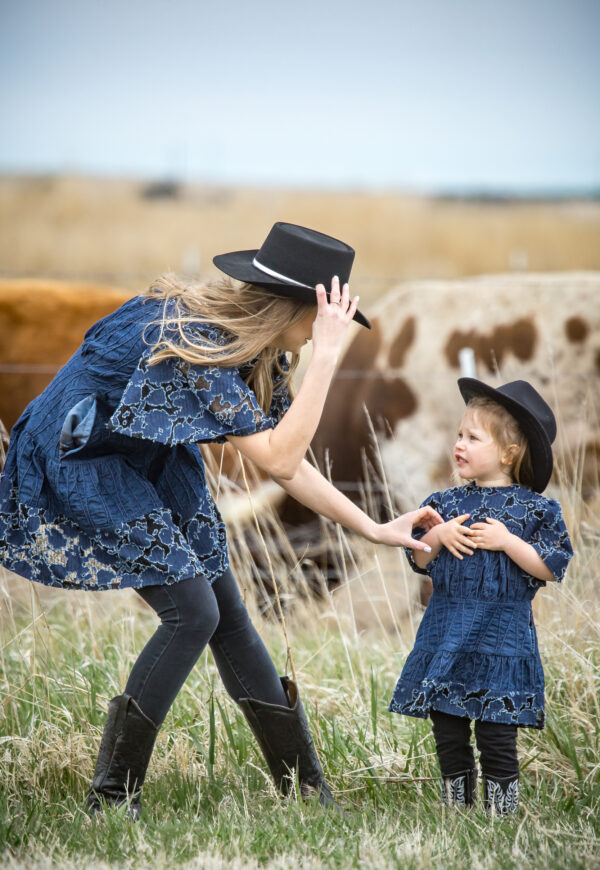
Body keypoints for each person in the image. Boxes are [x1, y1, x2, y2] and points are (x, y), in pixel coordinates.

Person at [0, 222, 441, 819]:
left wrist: (375, 527)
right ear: (294, 307)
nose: (317, 338)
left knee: (226, 612)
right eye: (320, 322)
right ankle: (110, 798)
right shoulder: (197, 342)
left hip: (148, 455)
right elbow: (281, 456)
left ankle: (308, 792)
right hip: (83, 454)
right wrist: (331, 357)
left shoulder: (263, 353)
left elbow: (288, 465)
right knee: (193, 613)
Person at [388, 378, 573, 815]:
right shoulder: (443, 503)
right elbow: (418, 558)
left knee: (496, 729)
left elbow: (552, 565)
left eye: (473, 438)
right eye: (458, 435)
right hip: (447, 628)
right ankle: (458, 805)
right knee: (448, 725)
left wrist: (509, 543)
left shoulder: (536, 510)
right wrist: (438, 533)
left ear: (508, 454)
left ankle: (500, 811)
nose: (460, 444)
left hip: (502, 636)